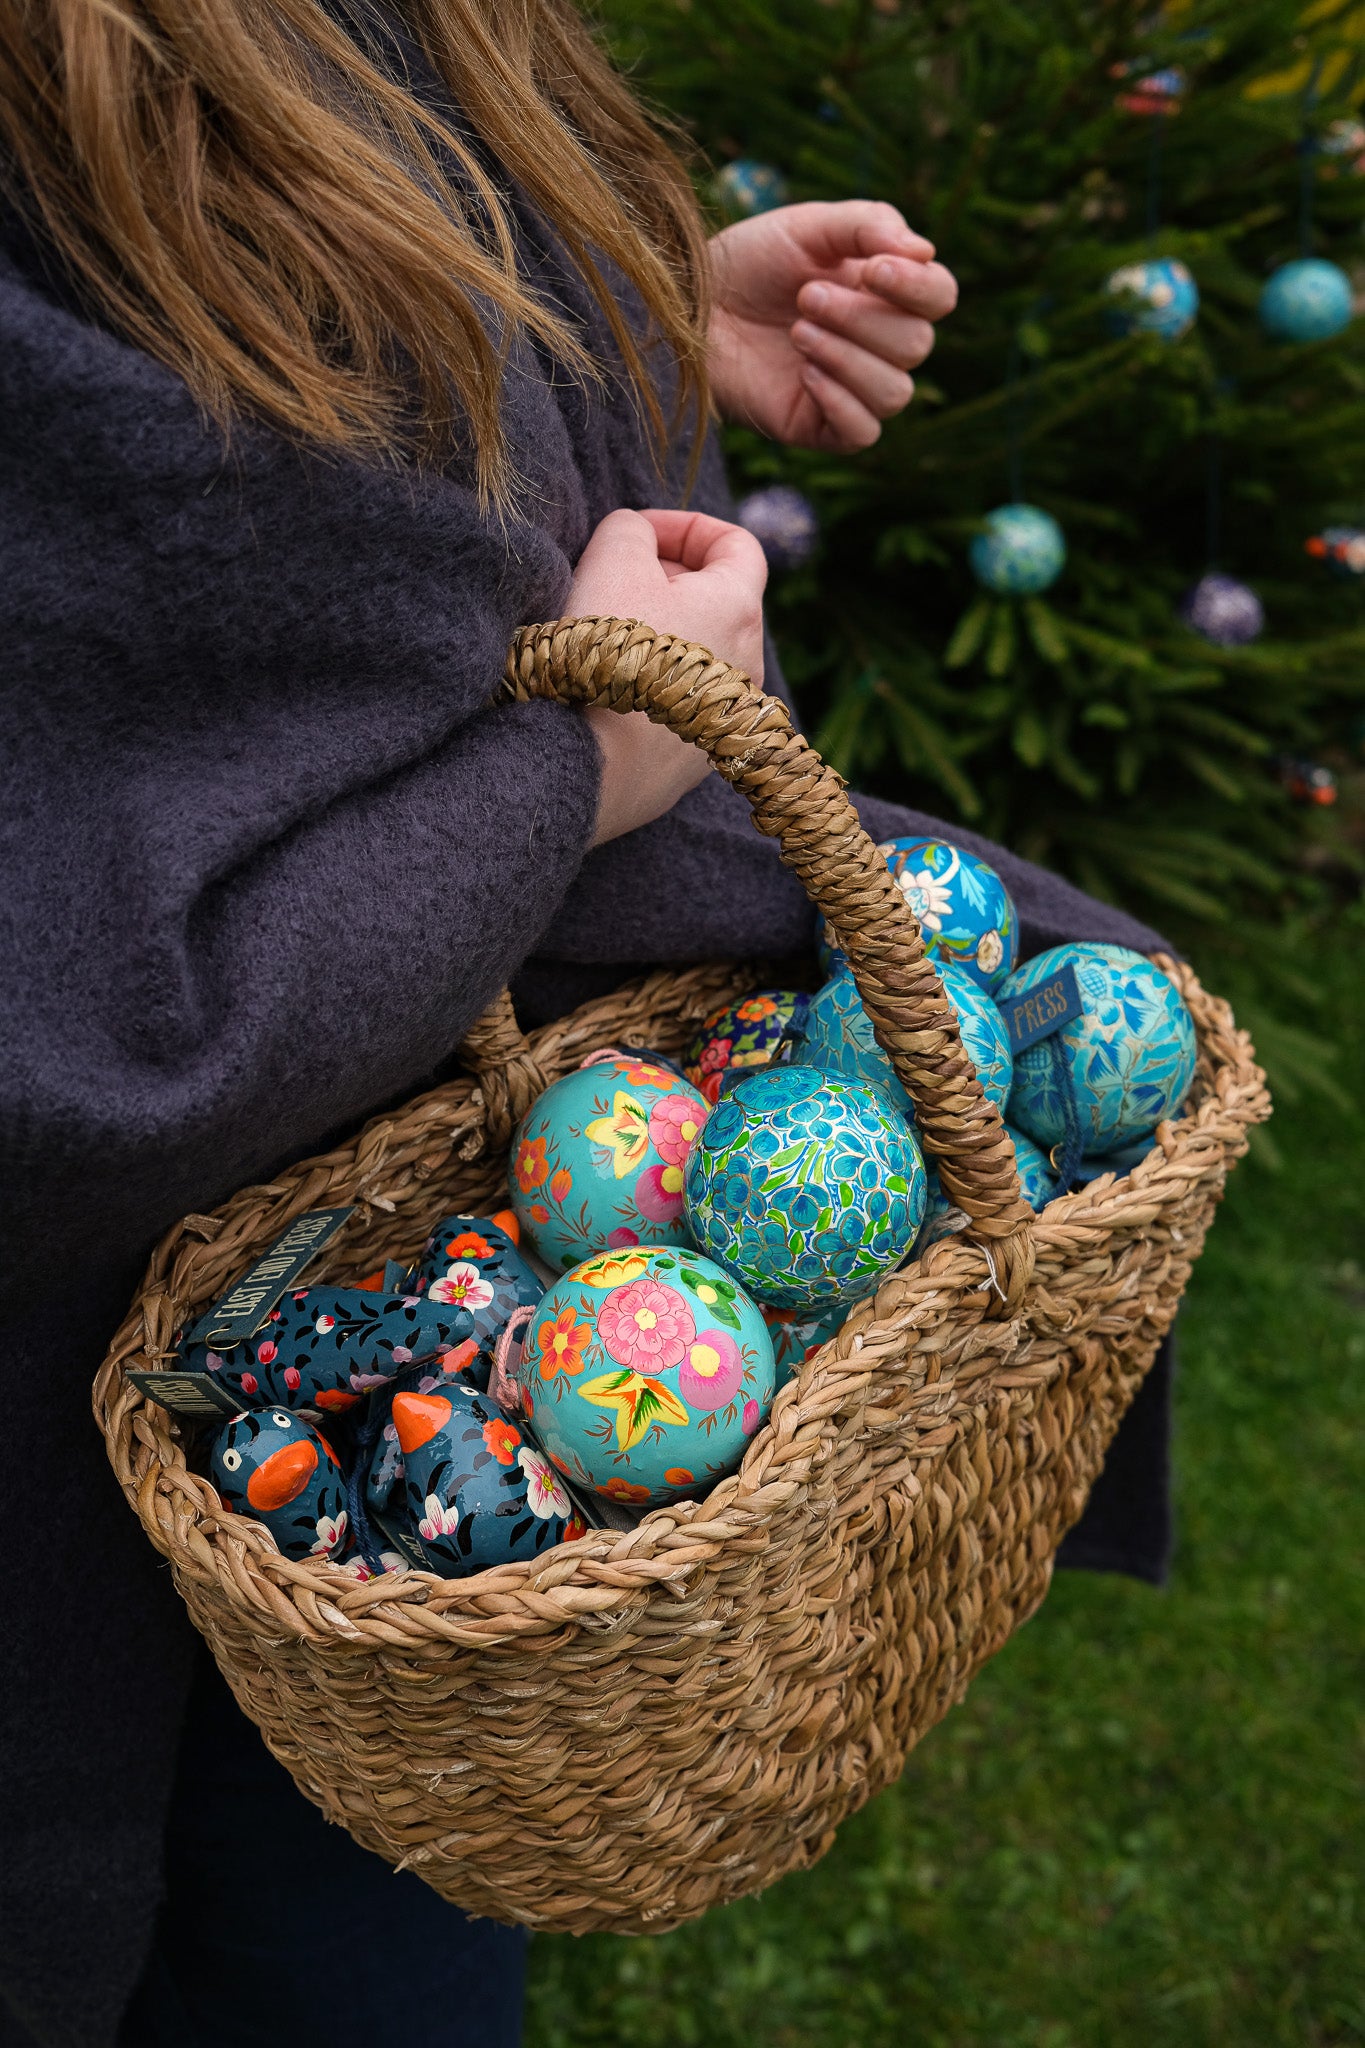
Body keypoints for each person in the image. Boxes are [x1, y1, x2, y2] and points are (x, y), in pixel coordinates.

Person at [0, 2, 1172, 2042]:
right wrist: (583, 766)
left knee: (369, 1932)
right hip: (89, 1451)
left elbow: (329, 378)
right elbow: (66, 995)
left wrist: (618, 327)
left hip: (413, 1432)